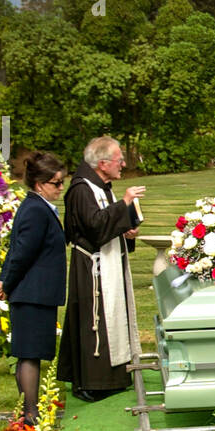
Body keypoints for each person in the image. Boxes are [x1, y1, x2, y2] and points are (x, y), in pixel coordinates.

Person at [57, 136, 145, 402]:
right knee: (94, 322)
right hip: (92, 268)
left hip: (106, 263)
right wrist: (125, 204)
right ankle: (93, 382)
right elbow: (94, 227)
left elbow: (106, 223)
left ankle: (113, 377)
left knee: (113, 317)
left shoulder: (102, 186)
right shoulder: (82, 189)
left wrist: (126, 229)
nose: (124, 164)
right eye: (119, 160)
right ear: (103, 163)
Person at [0, 152, 67, 425]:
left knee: (30, 353)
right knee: (30, 355)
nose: (61, 188)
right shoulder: (36, 209)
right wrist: (6, 282)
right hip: (32, 293)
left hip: (35, 293)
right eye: (56, 183)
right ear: (39, 184)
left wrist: (4, 281)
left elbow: (16, 251)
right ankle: (30, 414)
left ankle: (30, 411)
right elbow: (22, 252)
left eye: (62, 182)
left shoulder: (36, 206)